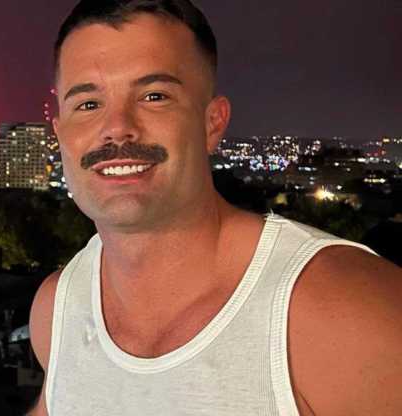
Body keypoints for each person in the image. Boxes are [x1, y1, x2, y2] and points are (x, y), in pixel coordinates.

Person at [28, 1, 402, 414]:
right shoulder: (58, 308)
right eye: (88, 104)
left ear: (212, 123)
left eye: (154, 96)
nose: (117, 126)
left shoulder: (345, 313)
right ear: (61, 134)